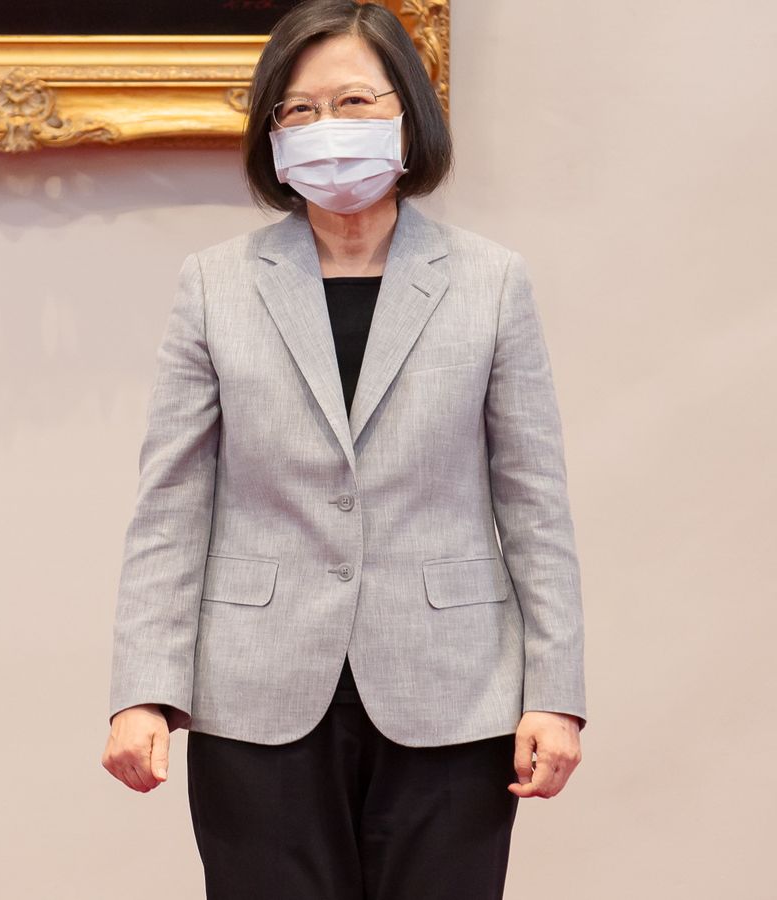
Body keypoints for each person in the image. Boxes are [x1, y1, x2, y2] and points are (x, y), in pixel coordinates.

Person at [101, 2, 585, 897]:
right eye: (300, 109)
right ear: (272, 134)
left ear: (408, 112)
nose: (328, 126)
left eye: (355, 101)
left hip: (455, 692)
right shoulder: (214, 286)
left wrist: (555, 695)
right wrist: (142, 690)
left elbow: (534, 502)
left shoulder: (490, 282)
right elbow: (170, 506)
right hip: (257, 693)